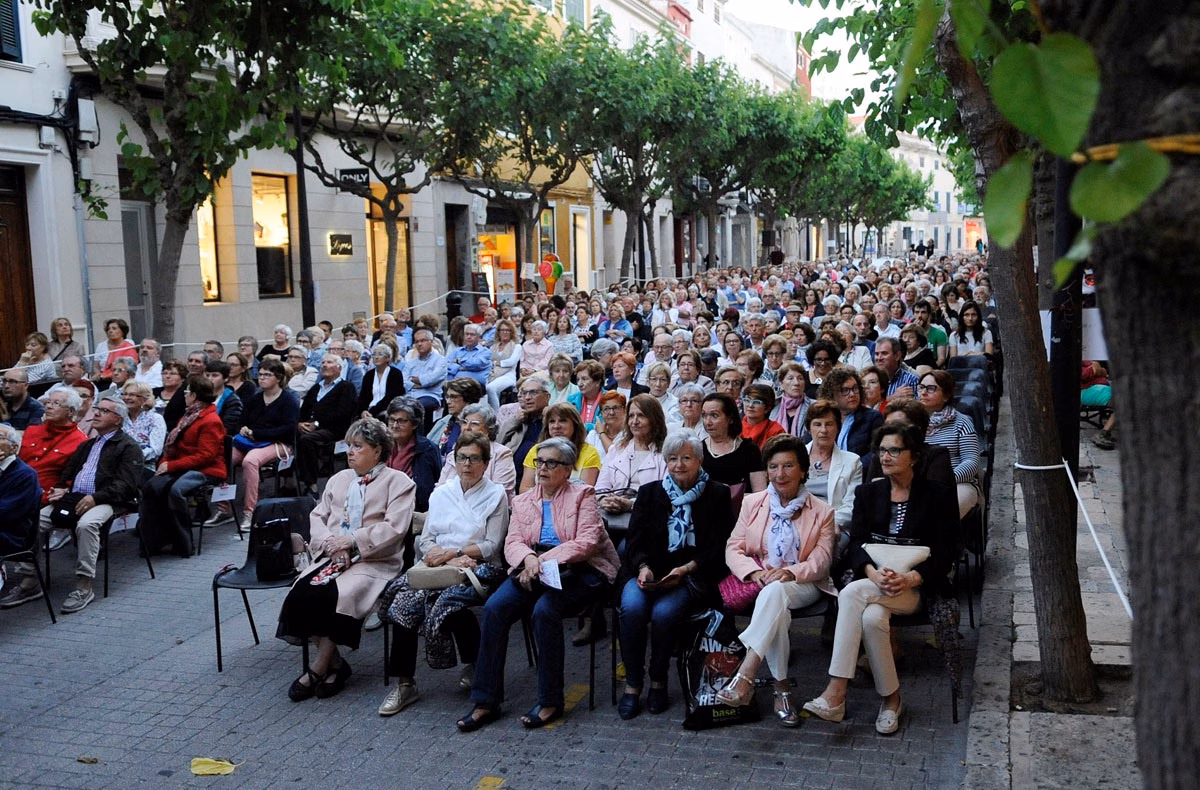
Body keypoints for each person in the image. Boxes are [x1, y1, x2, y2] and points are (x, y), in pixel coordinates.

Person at [803, 423, 959, 735]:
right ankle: (892, 701)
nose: (885, 456)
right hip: (875, 581)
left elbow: (949, 551)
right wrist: (873, 572)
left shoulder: (938, 494)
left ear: (913, 455)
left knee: (851, 595)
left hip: (918, 589)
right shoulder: (868, 492)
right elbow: (857, 544)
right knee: (873, 618)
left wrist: (912, 578)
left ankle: (836, 691)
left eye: (894, 450)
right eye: (882, 450)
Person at [456, 437, 620, 732]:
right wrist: (530, 559)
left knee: (545, 611)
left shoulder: (583, 495)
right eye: (539, 462)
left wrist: (541, 562)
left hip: (581, 570)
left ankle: (550, 701)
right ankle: (485, 701)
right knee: (495, 608)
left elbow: (586, 543)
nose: (542, 468)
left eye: (551, 463)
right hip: (532, 568)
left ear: (568, 469)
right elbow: (513, 542)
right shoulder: (522, 501)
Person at [277, 418, 415, 701]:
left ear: (377, 451)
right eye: (349, 445)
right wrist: (330, 543)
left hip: (374, 559)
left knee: (336, 595)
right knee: (301, 594)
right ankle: (336, 665)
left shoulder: (399, 482)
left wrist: (352, 541)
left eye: (358, 446)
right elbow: (319, 516)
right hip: (332, 555)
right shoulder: (339, 479)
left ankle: (317, 668)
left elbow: (395, 527)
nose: (350, 452)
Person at [377, 433, 509, 715]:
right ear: (454, 460)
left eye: (475, 458)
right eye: (462, 458)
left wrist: (452, 553)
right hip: (438, 565)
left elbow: (492, 544)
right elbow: (426, 539)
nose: (467, 464)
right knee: (404, 602)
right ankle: (405, 683)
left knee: (448, 602)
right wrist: (436, 552)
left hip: (479, 567)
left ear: (486, 464)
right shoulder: (442, 493)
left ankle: (474, 663)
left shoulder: (496, 494)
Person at [716, 435, 837, 727]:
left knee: (777, 592)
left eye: (788, 466)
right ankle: (781, 690)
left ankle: (746, 674)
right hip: (762, 582)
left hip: (804, 583)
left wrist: (790, 573)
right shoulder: (753, 503)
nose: (780, 474)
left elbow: (821, 562)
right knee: (775, 603)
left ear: (802, 470)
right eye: (773, 467)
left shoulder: (823, 511)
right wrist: (755, 572)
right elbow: (733, 547)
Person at [616, 430, 733, 720]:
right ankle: (633, 683)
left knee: (664, 615)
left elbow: (719, 546)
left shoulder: (717, 493)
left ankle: (658, 681)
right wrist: (643, 567)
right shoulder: (650, 492)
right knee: (631, 608)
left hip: (690, 574)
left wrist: (686, 569)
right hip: (649, 571)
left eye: (686, 458)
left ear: (700, 460)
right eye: (672, 458)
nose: (679, 464)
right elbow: (634, 541)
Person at [0, 394, 142, 614]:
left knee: (86, 526)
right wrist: (61, 488)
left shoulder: (128, 446)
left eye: (104, 411)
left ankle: (84, 585)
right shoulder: (88, 444)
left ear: (118, 419)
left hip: (108, 500)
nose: (96, 413)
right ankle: (30, 580)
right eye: (96, 408)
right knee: (34, 519)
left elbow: (127, 485)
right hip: (75, 497)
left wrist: (96, 497)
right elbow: (68, 471)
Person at [138, 375, 226, 557]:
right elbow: (173, 447)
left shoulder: (211, 420)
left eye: (186, 392)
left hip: (207, 470)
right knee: (153, 487)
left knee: (175, 491)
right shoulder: (188, 416)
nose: (184, 395)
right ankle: (156, 540)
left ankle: (183, 542)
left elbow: (206, 456)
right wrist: (164, 463)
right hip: (184, 466)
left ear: (194, 395)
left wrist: (171, 466)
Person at [208, 358, 300, 531]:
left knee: (250, 461)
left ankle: (251, 512)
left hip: (278, 443)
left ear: (278, 378)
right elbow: (242, 421)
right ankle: (223, 507)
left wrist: (256, 433)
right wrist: (243, 429)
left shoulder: (288, 400)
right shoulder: (255, 399)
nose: (262, 378)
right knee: (223, 455)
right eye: (261, 374)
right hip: (251, 441)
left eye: (267, 375)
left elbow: (288, 429)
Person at [594, 394, 668, 531]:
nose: (635, 421)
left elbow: (664, 496)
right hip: (610, 516)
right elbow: (600, 488)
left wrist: (630, 504)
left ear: (654, 419)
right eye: (631, 416)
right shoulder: (616, 450)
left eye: (641, 416)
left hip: (647, 520)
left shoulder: (666, 454)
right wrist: (604, 500)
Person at [918, 371, 982, 518]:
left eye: (931, 388)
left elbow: (971, 461)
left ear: (946, 395)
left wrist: (946, 478)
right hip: (918, 482)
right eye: (921, 387)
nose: (924, 392)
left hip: (958, 483)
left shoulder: (962, 422)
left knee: (943, 510)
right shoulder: (910, 421)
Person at [295, 353, 359, 497]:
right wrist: (300, 423)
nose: (324, 365)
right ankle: (289, 479)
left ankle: (311, 485)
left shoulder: (346, 387)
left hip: (334, 429)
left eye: (329, 362)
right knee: (293, 433)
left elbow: (343, 413)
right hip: (311, 427)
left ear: (339, 368)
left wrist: (316, 424)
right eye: (323, 362)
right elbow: (304, 410)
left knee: (307, 439)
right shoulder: (316, 388)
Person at [803, 399, 862, 544]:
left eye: (829, 424)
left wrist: (823, 523)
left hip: (834, 525)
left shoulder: (852, 461)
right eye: (817, 424)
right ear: (809, 428)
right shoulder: (796, 456)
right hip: (797, 521)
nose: (824, 430)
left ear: (838, 428)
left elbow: (850, 506)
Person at [17, 388, 87, 503]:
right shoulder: (32, 431)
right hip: (14, 488)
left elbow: (73, 479)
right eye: (48, 402)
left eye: (56, 403)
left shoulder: (80, 441)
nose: (49, 406)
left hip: (44, 497)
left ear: (70, 411)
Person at [436, 403, 517, 500]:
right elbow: (440, 489)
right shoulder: (453, 454)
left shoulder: (501, 454)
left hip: (486, 509)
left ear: (489, 429)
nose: (467, 428)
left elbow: (501, 493)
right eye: (464, 422)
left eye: (474, 424)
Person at [519, 403, 602, 493]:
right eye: (552, 421)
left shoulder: (589, 452)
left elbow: (585, 492)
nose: (556, 426)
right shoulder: (535, 450)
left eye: (563, 421)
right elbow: (524, 489)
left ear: (575, 425)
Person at [700, 393, 766, 504]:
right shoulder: (698, 449)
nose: (708, 422)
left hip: (742, 512)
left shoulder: (749, 450)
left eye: (714, 415)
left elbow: (760, 493)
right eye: (704, 415)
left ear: (730, 418)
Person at [817, 367, 884, 458]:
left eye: (855, 388)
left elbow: (875, 453)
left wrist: (852, 469)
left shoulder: (873, 418)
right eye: (845, 390)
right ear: (832, 394)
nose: (852, 394)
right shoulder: (823, 419)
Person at [498, 374, 550, 489]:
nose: (527, 397)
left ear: (547, 397)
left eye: (533, 393)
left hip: (539, 481)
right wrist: (514, 421)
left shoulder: (554, 420)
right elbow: (499, 442)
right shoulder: (519, 420)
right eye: (524, 393)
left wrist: (550, 417)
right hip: (509, 478)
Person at [0, 424, 41, 559]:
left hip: (11, 534)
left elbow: (5, 513)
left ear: (14, 448)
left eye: (0, 437)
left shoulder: (25, 475)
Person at [428, 377, 485, 460]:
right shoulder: (443, 422)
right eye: (447, 397)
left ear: (468, 399)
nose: (448, 401)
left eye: (454, 397)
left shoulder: (480, 424)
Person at [405, 329, 448, 435]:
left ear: (431, 342)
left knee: (417, 407)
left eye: (423, 340)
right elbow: (403, 382)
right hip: (410, 395)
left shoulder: (440, 360)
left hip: (430, 396)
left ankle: (419, 440)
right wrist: (422, 383)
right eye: (417, 341)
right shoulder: (410, 362)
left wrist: (418, 381)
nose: (419, 344)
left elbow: (432, 379)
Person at [120, 380, 167, 468]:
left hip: (143, 467)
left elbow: (155, 451)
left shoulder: (155, 419)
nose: (126, 397)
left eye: (132, 395)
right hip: (118, 465)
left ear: (144, 399)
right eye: (125, 394)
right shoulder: (120, 418)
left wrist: (130, 457)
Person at [358, 343, 406, 421]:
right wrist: (363, 410)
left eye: (380, 354)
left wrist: (373, 411)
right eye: (374, 354)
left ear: (387, 358)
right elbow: (363, 396)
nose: (376, 357)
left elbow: (392, 397)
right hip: (368, 411)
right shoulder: (368, 375)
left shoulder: (395, 374)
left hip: (388, 410)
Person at [484, 319, 522, 411]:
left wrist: (497, 363)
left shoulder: (516, 346)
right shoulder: (494, 346)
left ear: (511, 332)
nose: (505, 332)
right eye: (502, 330)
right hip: (493, 374)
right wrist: (494, 364)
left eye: (507, 330)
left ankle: (497, 414)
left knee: (490, 388)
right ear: (498, 332)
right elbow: (488, 361)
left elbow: (511, 362)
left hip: (508, 375)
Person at [91, 318, 139, 384]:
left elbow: (130, 370)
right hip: (104, 380)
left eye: (114, 328)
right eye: (108, 329)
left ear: (122, 331)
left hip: (122, 382)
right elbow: (99, 367)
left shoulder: (129, 347)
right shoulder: (107, 347)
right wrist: (98, 375)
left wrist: (105, 376)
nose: (110, 331)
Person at [204, 360, 244, 436]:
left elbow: (228, 429)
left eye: (215, 375)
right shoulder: (199, 396)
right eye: (207, 375)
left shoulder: (233, 401)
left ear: (225, 379)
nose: (210, 379)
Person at [740, 383, 784, 451]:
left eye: (757, 402)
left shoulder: (776, 431)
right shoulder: (734, 427)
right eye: (747, 400)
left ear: (767, 408)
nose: (750, 405)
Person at [446, 323, 492, 388]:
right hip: (453, 385)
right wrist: (460, 368)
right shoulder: (457, 351)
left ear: (479, 337)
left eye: (472, 334)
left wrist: (458, 361)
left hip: (474, 386)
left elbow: (476, 364)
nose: (469, 337)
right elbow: (447, 365)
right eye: (467, 334)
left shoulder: (485, 352)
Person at [584, 391, 626, 458]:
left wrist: (602, 433)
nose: (611, 413)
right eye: (606, 409)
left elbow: (615, 456)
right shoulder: (593, 435)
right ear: (601, 413)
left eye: (616, 408)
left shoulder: (629, 435)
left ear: (624, 410)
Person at [567, 359, 604, 430]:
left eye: (584, 379)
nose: (579, 384)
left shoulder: (609, 399)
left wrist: (581, 427)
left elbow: (605, 426)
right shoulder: (571, 399)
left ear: (598, 382)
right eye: (578, 379)